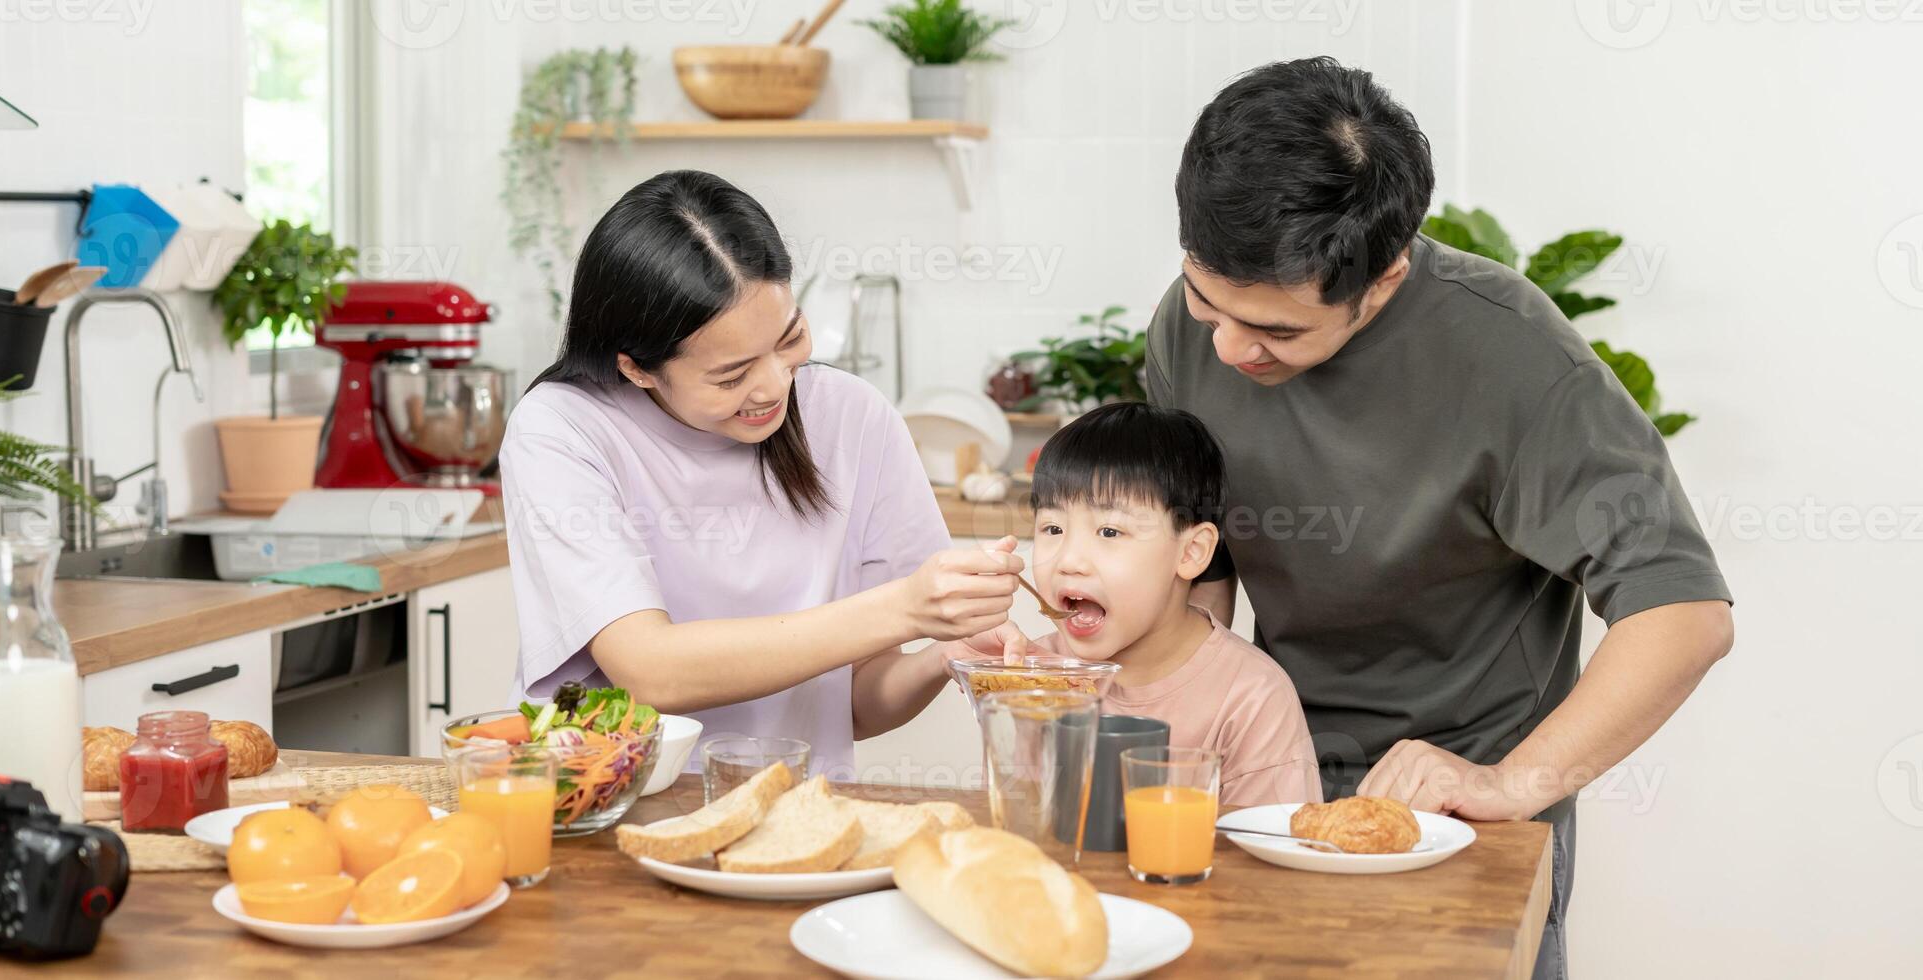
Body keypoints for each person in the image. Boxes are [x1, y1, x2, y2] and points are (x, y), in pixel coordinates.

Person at [1149, 58, 1734, 978]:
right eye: (1205, 299)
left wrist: (1513, 785)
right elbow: (1205, 556)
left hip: (1457, 820)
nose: (1226, 347)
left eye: (1278, 333)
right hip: (1267, 794)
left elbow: (1685, 615)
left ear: (1383, 280)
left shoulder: (1518, 362)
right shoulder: (1197, 325)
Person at [499, 169, 1033, 777]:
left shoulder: (852, 416)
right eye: (731, 375)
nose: (776, 386)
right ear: (638, 369)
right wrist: (907, 608)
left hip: (796, 814)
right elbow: (651, 670)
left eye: (790, 338)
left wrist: (941, 655)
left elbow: (856, 704)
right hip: (611, 808)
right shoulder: (563, 429)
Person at [1021, 402, 1320, 807]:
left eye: (1109, 531)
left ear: (1192, 552)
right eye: (1053, 528)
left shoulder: (1251, 697)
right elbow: (1018, 835)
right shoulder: (1032, 679)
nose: (1068, 561)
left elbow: (1273, 853)